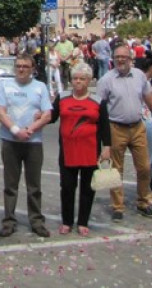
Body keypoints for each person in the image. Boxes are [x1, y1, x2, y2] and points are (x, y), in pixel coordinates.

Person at [96, 46, 152, 220]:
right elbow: (99, 108)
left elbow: (149, 100)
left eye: (124, 57)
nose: (120, 60)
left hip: (137, 126)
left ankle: (143, 202)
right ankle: (117, 206)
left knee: (144, 166)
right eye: (117, 57)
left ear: (131, 58)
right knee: (117, 170)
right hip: (116, 127)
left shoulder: (139, 76)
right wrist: (101, 135)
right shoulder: (106, 80)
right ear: (113, 59)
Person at [0, 53, 53, 237]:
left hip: (33, 141)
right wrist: (15, 130)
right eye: (18, 66)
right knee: (10, 184)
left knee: (34, 185)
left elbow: (47, 114)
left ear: (32, 69)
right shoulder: (6, 86)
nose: (21, 69)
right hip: (10, 141)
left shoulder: (40, 87)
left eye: (25, 67)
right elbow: (0, 112)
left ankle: (36, 220)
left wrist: (29, 130)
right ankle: (9, 220)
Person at [52, 62, 110, 236]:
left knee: (87, 188)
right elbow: (51, 117)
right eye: (75, 78)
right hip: (68, 150)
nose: (78, 82)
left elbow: (105, 126)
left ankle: (83, 221)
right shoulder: (62, 98)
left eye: (82, 79)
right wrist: (38, 117)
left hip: (90, 150)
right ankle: (67, 221)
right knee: (67, 187)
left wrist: (107, 147)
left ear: (89, 81)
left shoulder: (98, 101)